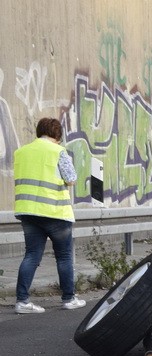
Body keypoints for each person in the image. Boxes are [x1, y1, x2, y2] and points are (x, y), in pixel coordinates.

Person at [12, 117, 85, 313]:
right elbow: (71, 179)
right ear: (57, 135)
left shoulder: (21, 152)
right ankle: (69, 298)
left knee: (31, 256)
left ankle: (22, 302)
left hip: (28, 212)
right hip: (55, 213)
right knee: (63, 256)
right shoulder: (58, 151)